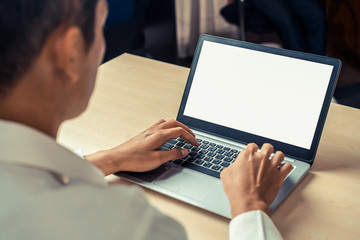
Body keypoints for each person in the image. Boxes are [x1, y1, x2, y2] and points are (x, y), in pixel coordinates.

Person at [0, 0, 293, 239]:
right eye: (102, 26)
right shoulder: (123, 226)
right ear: (70, 52)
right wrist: (250, 206)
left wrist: (110, 159)